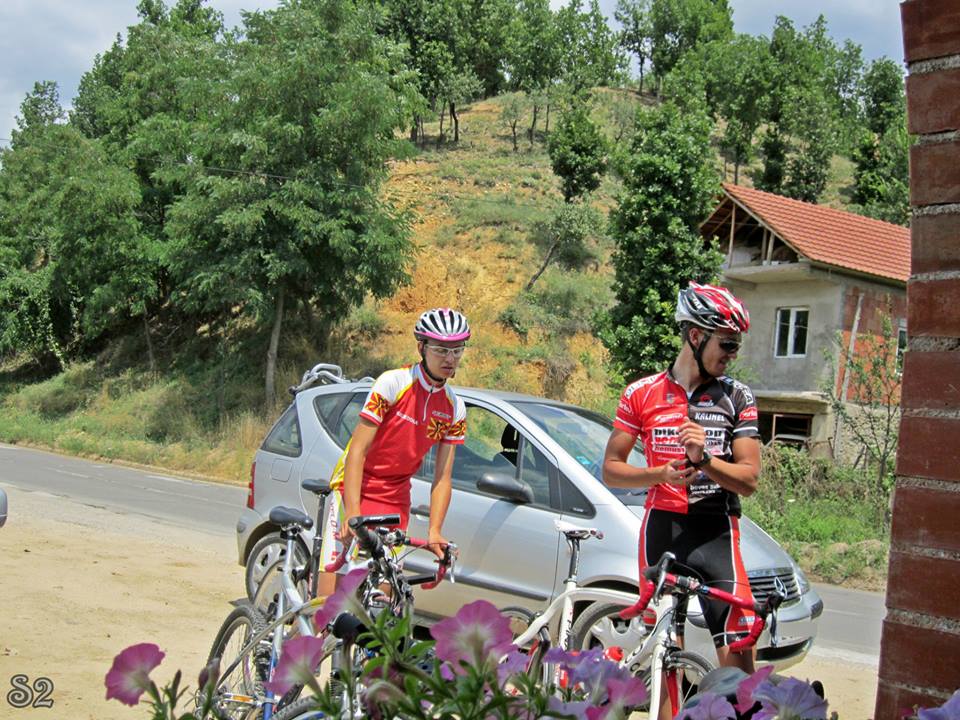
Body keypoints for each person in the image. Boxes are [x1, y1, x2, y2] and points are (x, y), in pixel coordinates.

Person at [602, 282, 761, 676]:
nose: (733, 354)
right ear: (695, 336)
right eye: (726, 344)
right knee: (664, 665)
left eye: (736, 346)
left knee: (741, 668)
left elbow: (749, 479)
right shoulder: (641, 393)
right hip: (664, 531)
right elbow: (611, 469)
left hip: (717, 534)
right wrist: (659, 473)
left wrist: (705, 459)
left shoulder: (737, 397)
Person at [319, 308, 469, 584]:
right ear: (421, 347)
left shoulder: (455, 408)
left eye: (457, 350)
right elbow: (357, 452)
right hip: (355, 486)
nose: (450, 359)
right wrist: (352, 512)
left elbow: (442, 478)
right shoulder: (393, 382)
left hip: (395, 497)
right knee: (329, 601)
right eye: (441, 350)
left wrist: (435, 530)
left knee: (385, 594)